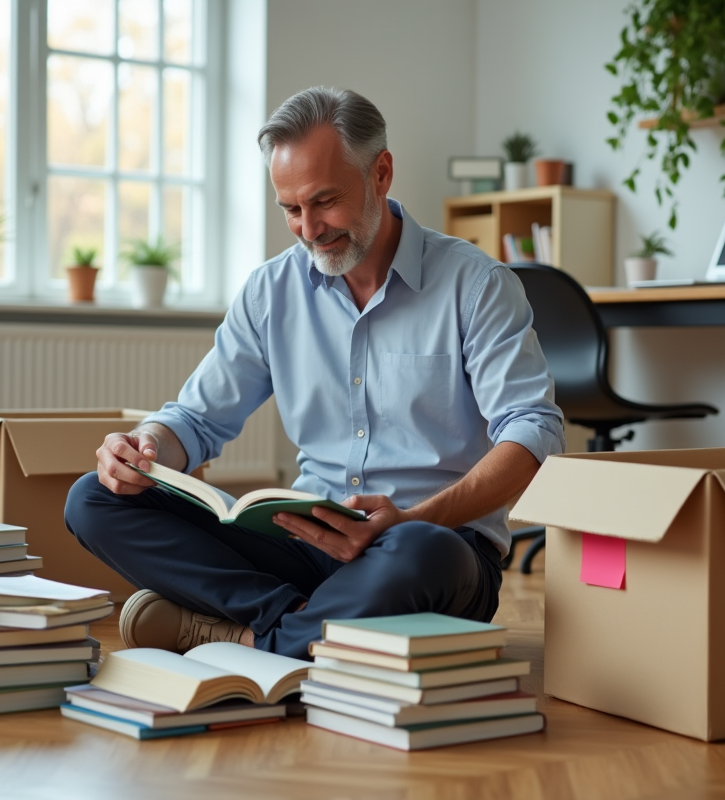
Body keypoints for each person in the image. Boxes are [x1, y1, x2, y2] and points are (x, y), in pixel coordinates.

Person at [64, 86, 564, 660]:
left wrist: (411, 519)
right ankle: (286, 627)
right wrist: (144, 448)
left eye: (325, 201)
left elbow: (534, 431)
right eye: (291, 209)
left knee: (424, 551)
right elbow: (198, 419)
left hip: (429, 547)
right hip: (304, 544)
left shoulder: (476, 285)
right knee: (93, 499)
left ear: (381, 174)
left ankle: (244, 635)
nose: (309, 228)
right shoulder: (270, 291)